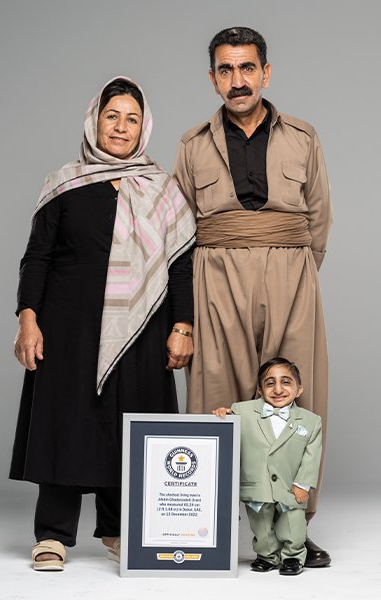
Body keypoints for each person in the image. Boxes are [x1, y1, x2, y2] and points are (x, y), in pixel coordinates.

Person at [10, 76, 196, 571]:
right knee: (66, 420)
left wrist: (184, 324)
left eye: (132, 119)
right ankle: (53, 535)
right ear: (95, 121)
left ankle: (117, 529)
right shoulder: (64, 182)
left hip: (144, 325)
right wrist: (28, 319)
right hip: (68, 323)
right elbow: (37, 258)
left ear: (144, 127)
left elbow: (181, 263)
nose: (121, 126)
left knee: (131, 420)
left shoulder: (164, 189)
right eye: (112, 116)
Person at [174, 26, 332, 567]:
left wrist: (298, 277)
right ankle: (200, 525)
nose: (237, 81)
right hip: (215, 273)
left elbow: (319, 221)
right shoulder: (192, 145)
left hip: (290, 273)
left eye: (247, 68)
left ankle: (293, 528)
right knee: (216, 392)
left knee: (293, 397)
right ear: (213, 78)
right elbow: (178, 229)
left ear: (266, 72)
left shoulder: (304, 137)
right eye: (226, 69)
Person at [214, 357, 322, 575]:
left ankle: (293, 556)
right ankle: (267, 556)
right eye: (270, 383)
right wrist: (223, 415)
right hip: (257, 485)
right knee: (261, 526)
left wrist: (303, 484)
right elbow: (228, 430)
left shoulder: (311, 421)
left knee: (293, 524)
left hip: (291, 485)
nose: (278, 389)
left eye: (286, 382)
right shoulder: (243, 411)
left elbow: (312, 456)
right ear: (260, 391)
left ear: (299, 389)